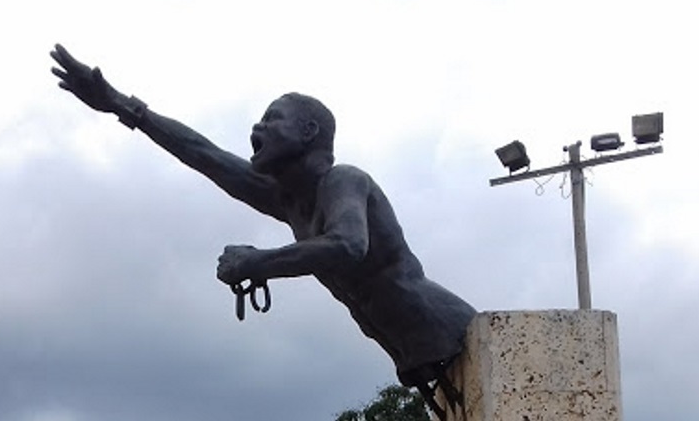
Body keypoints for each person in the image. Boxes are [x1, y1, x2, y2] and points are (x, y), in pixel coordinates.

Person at [49, 43, 476, 391]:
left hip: (454, 335)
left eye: (271, 120)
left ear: (309, 132)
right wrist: (123, 106)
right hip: (424, 360)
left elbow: (348, 246)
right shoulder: (291, 201)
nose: (256, 129)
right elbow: (205, 155)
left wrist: (258, 263)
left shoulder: (343, 180)